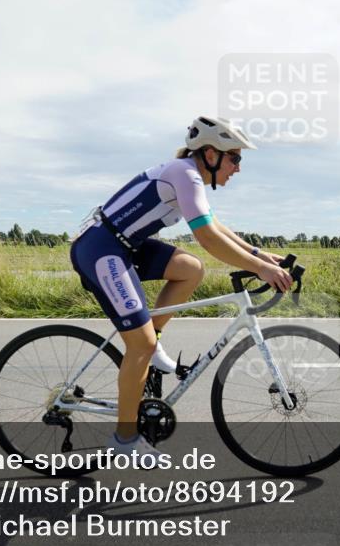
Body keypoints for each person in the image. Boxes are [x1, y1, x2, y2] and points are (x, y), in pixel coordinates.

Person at [69, 116, 293, 459]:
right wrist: (260, 269)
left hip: (124, 246)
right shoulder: (184, 174)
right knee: (138, 344)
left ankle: (150, 345)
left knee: (190, 269)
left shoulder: (190, 177)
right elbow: (205, 237)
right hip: (101, 249)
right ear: (210, 153)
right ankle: (125, 439)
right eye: (235, 157)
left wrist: (259, 255)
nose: (238, 167)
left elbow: (216, 227)